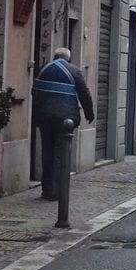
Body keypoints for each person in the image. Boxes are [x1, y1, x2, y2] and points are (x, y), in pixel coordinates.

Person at [32, 47, 94, 200]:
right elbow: (84, 94)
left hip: (45, 118)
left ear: (55, 56)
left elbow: (35, 92)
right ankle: (58, 191)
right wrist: (89, 114)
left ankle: (47, 190)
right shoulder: (74, 71)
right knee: (62, 154)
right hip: (65, 120)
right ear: (68, 59)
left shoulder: (43, 69)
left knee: (47, 153)